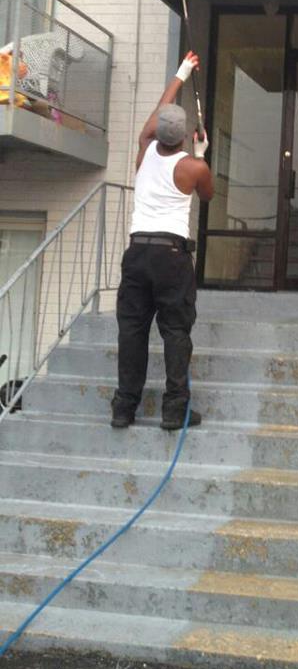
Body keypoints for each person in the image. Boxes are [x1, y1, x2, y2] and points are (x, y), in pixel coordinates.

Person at [111, 52, 214, 431]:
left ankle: (124, 408)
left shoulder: (144, 149)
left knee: (132, 330)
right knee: (175, 331)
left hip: (137, 253)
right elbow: (208, 196)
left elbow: (159, 111)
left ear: (156, 133)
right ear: (185, 135)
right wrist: (201, 155)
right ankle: (175, 410)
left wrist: (181, 73)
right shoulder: (194, 167)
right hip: (172, 257)